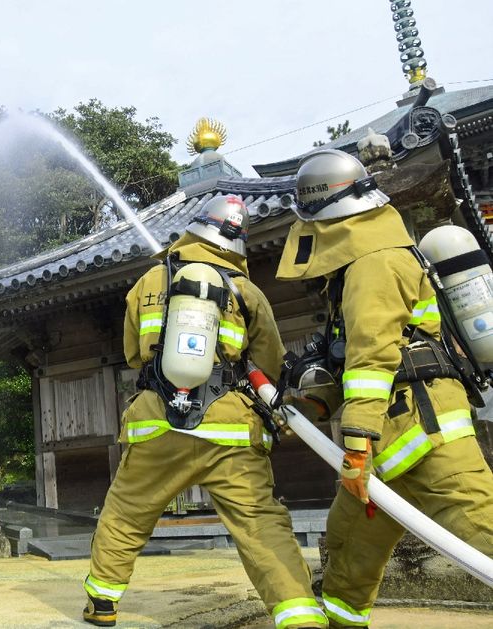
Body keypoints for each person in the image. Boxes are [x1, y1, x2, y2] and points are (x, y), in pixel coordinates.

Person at [82, 194, 327, 628]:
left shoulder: (148, 281)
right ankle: (300, 615)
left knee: (126, 512)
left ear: (195, 227)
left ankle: (103, 603)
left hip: (155, 423)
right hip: (229, 429)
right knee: (260, 523)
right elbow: (268, 362)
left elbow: (133, 356)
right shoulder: (245, 289)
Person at [276, 149, 493, 627]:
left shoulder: (374, 264)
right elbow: (350, 357)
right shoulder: (358, 264)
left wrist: (355, 443)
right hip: (386, 448)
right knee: (347, 550)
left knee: (482, 530)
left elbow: (374, 359)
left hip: (425, 436)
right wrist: (315, 403)